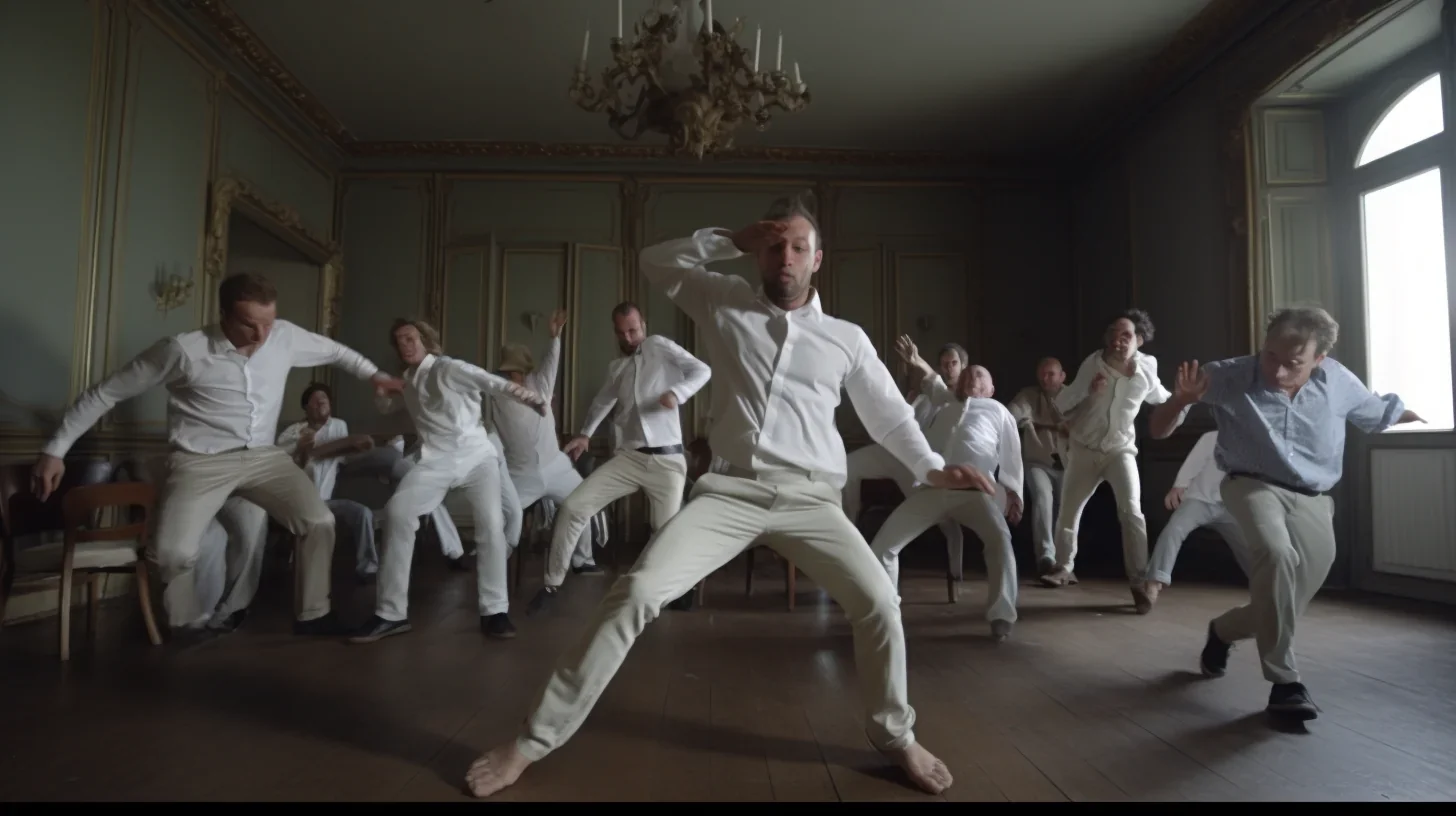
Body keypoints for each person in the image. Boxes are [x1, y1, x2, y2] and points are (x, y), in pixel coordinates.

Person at [465, 195, 991, 798]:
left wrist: (930, 468)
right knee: (634, 590)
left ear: (817, 259)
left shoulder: (846, 339)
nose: (785, 258)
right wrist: (727, 239)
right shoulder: (722, 300)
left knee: (880, 603)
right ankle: (534, 740)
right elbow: (656, 261)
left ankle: (894, 735)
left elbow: (890, 416)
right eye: (774, 246)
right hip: (728, 493)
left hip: (812, 500)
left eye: (797, 247)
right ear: (758, 254)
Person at [31, 272, 403, 642]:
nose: (261, 336)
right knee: (172, 553)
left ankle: (313, 614)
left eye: (268, 323)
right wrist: (54, 450)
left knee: (319, 521)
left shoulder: (285, 336)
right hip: (200, 461)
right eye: (249, 325)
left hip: (263, 457)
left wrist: (375, 375)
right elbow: (105, 393)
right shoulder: (182, 350)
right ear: (223, 314)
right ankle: (185, 622)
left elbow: (336, 352)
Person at [1148, 305, 1423, 721]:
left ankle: (1222, 632)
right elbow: (1159, 429)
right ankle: (1285, 684)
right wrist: (1182, 400)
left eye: (1292, 363)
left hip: (1312, 495)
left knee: (1286, 600)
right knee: (1276, 555)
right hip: (1250, 483)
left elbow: (1375, 412)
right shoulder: (1227, 375)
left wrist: (1412, 414)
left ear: (1319, 359)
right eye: (1270, 356)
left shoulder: (1339, 382)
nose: (1276, 372)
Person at [348, 319, 547, 643]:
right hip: (435, 461)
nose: (406, 344)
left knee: (491, 525)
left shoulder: (448, 367)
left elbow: (487, 381)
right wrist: (383, 392)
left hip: (477, 457)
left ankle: (495, 611)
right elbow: (388, 407)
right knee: (398, 512)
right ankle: (390, 613)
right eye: (399, 341)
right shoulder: (409, 379)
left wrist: (529, 397)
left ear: (425, 340)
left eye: (411, 338)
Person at [526, 301, 711, 615]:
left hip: (667, 461)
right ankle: (551, 584)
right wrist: (584, 433)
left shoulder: (658, 346)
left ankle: (682, 585)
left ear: (644, 326)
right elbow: (602, 402)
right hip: (629, 460)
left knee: (665, 529)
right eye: (622, 332)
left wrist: (677, 394)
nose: (628, 338)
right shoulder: (617, 368)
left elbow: (701, 370)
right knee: (573, 507)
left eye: (633, 330)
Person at [874, 348, 1023, 641]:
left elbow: (1012, 454)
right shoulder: (946, 402)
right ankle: (884, 612)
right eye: (968, 372)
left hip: (975, 493)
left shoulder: (998, 411)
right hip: (933, 489)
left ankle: (1001, 615)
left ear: (991, 389)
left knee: (1000, 541)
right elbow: (931, 379)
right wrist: (915, 359)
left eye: (978, 374)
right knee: (883, 547)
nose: (970, 376)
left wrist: (1014, 493)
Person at [1045, 310, 1178, 615]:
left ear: (1139, 340)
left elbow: (1161, 396)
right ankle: (1063, 568)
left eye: (1126, 336)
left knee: (1132, 512)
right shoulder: (1093, 365)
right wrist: (1091, 394)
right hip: (1084, 449)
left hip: (1120, 450)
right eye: (1113, 335)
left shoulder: (1147, 367)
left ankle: (1139, 582)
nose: (1118, 341)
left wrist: (1182, 400)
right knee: (1069, 511)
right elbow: (1064, 404)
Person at [489, 311, 600, 576]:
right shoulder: (495, 394)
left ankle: (582, 561)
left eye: (516, 370)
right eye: (508, 370)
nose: (513, 375)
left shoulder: (539, 384)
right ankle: (493, 562)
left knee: (582, 503)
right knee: (503, 516)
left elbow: (551, 363)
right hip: (521, 472)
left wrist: (554, 337)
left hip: (556, 467)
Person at [842, 344, 967, 577]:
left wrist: (918, 361)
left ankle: (955, 563)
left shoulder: (964, 399)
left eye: (954, 363)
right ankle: (848, 532)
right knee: (848, 467)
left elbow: (936, 384)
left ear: (963, 367)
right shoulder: (924, 397)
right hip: (895, 453)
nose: (949, 369)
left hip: (921, 465)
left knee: (939, 516)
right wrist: (908, 403)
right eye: (945, 364)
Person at [276, 383, 384, 584]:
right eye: (315, 401)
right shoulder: (293, 432)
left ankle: (368, 568)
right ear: (306, 407)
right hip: (298, 502)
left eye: (324, 400)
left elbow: (340, 450)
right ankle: (300, 567)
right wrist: (301, 448)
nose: (321, 403)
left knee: (362, 513)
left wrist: (359, 444)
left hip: (327, 502)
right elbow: (279, 458)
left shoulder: (337, 426)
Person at [1142, 430, 1253, 607]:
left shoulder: (1257, 443)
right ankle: (1154, 580)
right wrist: (1178, 487)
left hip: (1231, 506)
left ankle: (1267, 586)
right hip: (1199, 500)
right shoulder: (1212, 438)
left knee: (1251, 543)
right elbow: (1193, 463)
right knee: (1174, 530)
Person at [1006, 357, 1070, 577]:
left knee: (1067, 509)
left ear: (1062, 376)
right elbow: (1010, 414)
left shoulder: (1074, 396)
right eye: (1042, 373)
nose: (1045, 378)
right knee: (1043, 498)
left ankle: (1064, 561)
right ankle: (1045, 556)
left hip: (1069, 465)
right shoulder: (1029, 396)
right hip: (1037, 462)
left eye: (1051, 374)